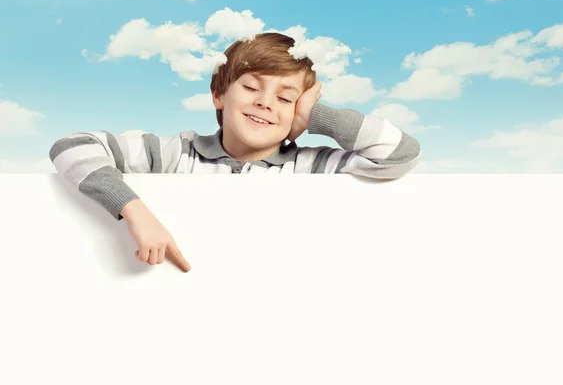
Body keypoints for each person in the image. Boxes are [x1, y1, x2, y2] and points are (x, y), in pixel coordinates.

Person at [49, 32, 421, 273]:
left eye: (285, 97)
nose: (264, 103)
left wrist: (314, 116)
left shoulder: (315, 166)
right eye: (251, 88)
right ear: (218, 94)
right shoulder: (174, 154)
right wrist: (135, 210)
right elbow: (72, 146)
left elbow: (401, 154)